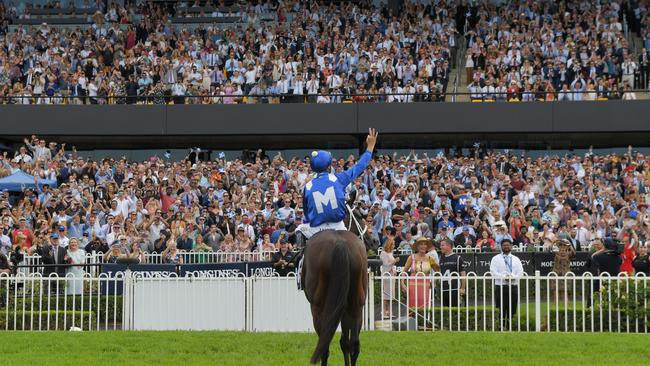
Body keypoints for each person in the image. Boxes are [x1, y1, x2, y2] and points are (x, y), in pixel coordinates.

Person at [297, 128, 378, 239]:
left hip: (315, 229)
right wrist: (370, 147)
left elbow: (307, 213)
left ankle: (300, 256)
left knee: (299, 229)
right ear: (329, 166)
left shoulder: (308, 186)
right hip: (338, 226)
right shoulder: (339, 179)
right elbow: (360, 166)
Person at [489, 239, 523, 326]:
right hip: (501, 286)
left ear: (511, 246)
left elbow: (520, 272)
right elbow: (493, 271)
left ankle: (511, 325)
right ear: (501, 246)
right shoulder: (495, 258)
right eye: (504, 245)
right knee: (501, 308)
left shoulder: (516, 259)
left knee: (513, 308)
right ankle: (500, 326)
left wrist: (513, 278)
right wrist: (504, 278)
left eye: (508, 245)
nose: (506, 247)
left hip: (513, 286)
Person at [402, 237, 440, 309]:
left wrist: (434, 282)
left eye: (425, 244)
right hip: (413, 286)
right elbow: (404, 271)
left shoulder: (430, 258)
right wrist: (402, 283)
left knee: (425, 305)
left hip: (426, 286)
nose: (423, 246)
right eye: (421, 244)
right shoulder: (411, 257)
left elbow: (438, 271)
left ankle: (425, 320)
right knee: (413, 305)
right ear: (417, 247)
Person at [438, 238, 467, 307]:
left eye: (442, 245)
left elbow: (463, 274)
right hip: (444, 289)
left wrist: (462, 288)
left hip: (455, 289)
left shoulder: (458, 258)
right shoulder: (441, 258)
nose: (440, 247)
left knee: (455, 311)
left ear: (449, 246)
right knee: (444, 311)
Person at [379, 237, 399, 318]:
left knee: (390, 295)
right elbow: (386, 264)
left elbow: (392, 265)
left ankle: (389, 312)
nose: (394, 246)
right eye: (393, 244)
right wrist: (395, 261)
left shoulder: (391, 253)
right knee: (386, 295)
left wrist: (395, 270)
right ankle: (384, 311)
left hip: (392, 276)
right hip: (386, 276)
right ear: (389, 244)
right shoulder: (383, 253)